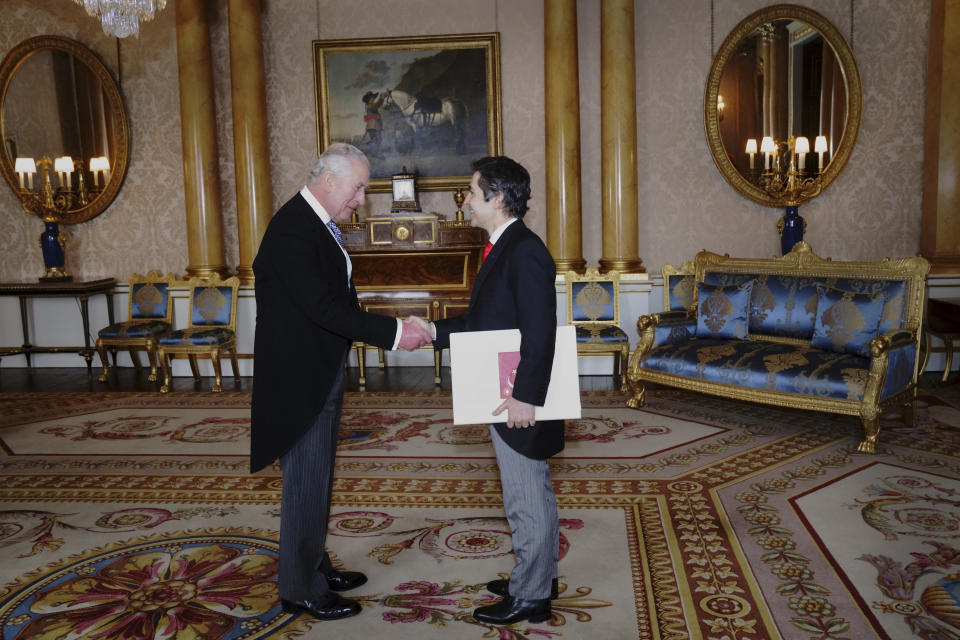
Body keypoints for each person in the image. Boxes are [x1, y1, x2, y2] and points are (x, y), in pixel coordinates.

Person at [250, 143, 432, 622]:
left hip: (316, 367)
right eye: (357, 189)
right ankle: (300, 589)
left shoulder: (313, 224)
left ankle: (314, 563)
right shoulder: (293, 229)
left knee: (318, 478)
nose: (360, 200)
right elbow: (327, 310)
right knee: (306, 482)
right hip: (298, 377)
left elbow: (334, 303)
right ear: (329, 180)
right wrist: (396, 332)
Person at [418, 156, 563, 625]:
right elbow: (483, 323)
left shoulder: (525, 251)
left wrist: (526, 397)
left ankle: (532, 595)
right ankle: (536, 573)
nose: (464, 200)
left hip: (517, 396)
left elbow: (541, 331)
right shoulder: (504, 247)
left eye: (470, 191)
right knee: (524, 489)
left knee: (526, 492)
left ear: (496, 198)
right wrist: (431, 331)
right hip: (507, 388)